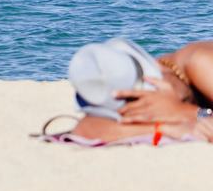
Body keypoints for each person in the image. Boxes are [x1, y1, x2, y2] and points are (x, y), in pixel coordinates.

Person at [69, 39, 213, 142]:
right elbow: (84, 128)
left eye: (157, 90)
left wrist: (182, 111)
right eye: (142, 99)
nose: (155, 103)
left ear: (160, 69)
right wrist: (162, 128)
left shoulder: (201, 62)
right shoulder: (143, 100)